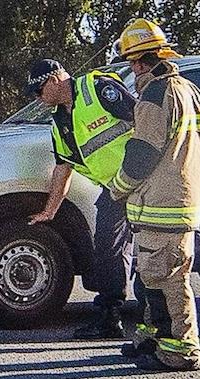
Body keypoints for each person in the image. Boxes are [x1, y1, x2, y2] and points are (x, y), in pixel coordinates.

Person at [109, 18, 200, 371]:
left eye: (132, 63)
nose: (132, 70)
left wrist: (118, 186)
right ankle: (155, 341)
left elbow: (143, 152)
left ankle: (179, 351)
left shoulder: (154, 96)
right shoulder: (187, 90)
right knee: (156, 278)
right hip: (179, 201)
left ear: (139, 61)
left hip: (162, 205)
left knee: (168, 281)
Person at [26, 59, 136, 339]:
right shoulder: (59, 123)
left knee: (155, 251)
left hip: (145, 181)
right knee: (107, 251)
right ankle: (110, 318)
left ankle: (160, 321)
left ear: (53, 80)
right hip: (115, 190)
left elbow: (145, 120)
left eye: (38, 91)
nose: (38, 99)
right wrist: (50, 211)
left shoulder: (97, 88)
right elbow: (64, 167)